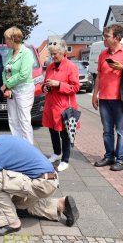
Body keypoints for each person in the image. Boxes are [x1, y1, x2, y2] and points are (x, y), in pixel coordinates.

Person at [92, 24, 123, 171]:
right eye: (104, 35)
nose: (104, 39)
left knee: (121, 131)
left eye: (107, 36)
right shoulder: (102, 54)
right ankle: (109, 156)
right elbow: (99, 76)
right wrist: (95, 94)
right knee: (107, 131)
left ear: (117, 38)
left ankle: (122, 160)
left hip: (121, 99)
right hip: (105, 99)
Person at [42, 40, 80, 172]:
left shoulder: (71, 66)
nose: (53, 57)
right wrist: (45, 88)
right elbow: (45, 83)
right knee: (52, 130)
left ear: (63, 52)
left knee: (65, 133)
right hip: (51, 104)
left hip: (64, 106)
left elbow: (75, 87)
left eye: (55, 54)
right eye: (51, 54)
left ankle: (65, 160)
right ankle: (57, 153)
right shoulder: (51, 66)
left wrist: (59, 84)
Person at [1, 26, 35, 144]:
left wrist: (7, 84)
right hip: (12, 91)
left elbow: (24, 75)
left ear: (13, 39)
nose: (5, 42)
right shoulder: (10, 53)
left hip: (24, 90)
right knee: (13, 120)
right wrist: (7, 86)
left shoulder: (26, 53)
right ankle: (18, 147)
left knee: (24, 120)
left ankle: (29, 149)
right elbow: (5, 71)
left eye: (6, 39)